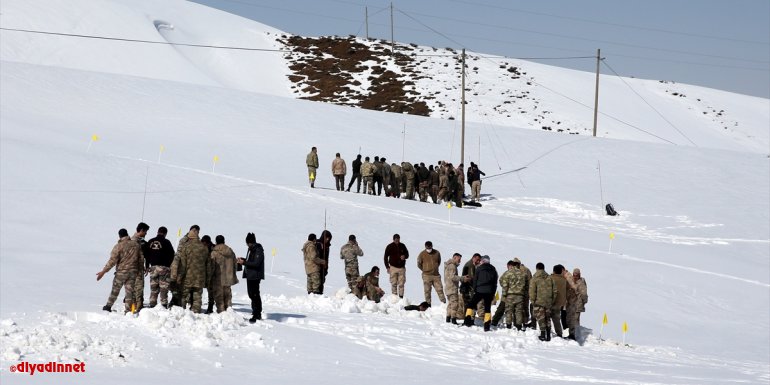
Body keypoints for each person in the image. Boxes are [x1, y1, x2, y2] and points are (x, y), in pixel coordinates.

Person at [97, 228, 142, 313]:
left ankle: (108, 306)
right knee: (129, 292)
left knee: (115, 290)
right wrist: (140, 271)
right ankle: (128, 310)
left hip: (121, 273)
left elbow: (112, 261)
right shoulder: (136, 245)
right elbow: (141, 260)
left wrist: (103, 271)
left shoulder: (118, 246)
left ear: (119, 236)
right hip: (133, 272)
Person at [172, 226, 211, 313]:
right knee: (197, 297)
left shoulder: (186, 247)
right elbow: (208, 266)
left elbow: (183, 265)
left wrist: (179, 277)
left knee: (184, 296)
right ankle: (196, 312)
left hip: (188, 277)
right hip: (200, 278)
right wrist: (208, 279)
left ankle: (182, 312)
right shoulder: (204, 248)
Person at [463, 255, 498, 331]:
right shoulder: (493, 269)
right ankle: (486, 326)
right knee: (487, 309)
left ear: (483, 261)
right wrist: (493, 293)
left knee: (470, 305)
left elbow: (475, 280)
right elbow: (495, 282)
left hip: (479, 290)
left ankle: (467, 320)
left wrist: (475, 290)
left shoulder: (479, 268)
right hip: (489, 292)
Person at [144, 226, 175, 308]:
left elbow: (146, 255)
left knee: (154, 288)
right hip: (164, 268)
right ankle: (164, 305)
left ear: (157, 232)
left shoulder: (150, 241)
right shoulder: (167, 242)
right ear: (165, 233)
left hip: (153, 268)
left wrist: (147, 266)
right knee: (164, 288)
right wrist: (169, 266)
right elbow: (172, 255)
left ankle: (152, 304)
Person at [238, 232, 265, 323]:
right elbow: (251, 261)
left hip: (255, 275)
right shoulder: (252, 249)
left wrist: (244, 263)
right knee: (251, 294)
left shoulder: (258, 250)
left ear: (250, 242)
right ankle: (255, 311)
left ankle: (257, 313)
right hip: (250, 275)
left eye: (247, 243)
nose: (247, 245)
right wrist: (243, 260)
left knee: (255, 294)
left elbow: (256, 263)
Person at [500, 259, 530, 330]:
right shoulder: (524, 274)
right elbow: (527, 286)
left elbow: (504, 284)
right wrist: (525, 295)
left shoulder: (508, 273)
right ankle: (519, 326)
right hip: (520, 296)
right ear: (518, 264)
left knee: (509, 311)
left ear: (513, 264)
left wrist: (504, 294)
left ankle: (509, 326)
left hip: (510, 295)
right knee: (518, 311)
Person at [530, 262, 557, 341]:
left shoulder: (534, 278)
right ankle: (548, 335)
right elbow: (555, 291)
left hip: (538, 302)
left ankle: (542, 334)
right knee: (547, 318)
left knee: (541, 318)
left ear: (537, 268)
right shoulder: (550, 278)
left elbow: (532, 291)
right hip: (548, 302)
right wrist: (552, 300)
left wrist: (533, 301)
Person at [211, 235, 239, 312]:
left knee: (219, 296)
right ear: (224, 241)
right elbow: (235, 264)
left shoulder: (214, 253)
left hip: (218, 279)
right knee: (228, 296)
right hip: (228, 278)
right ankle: (229, 311)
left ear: (216, 242)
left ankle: (221, 312)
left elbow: (212, 267)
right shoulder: (230, 251)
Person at [416, 241, 445, 305]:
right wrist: (424, 269)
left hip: (436, 275)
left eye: (430, 247)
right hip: (426, 275)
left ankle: (443, 303)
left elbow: (439, 261)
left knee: (440, 289)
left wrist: (435, 268)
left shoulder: (437, 253)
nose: (429, 249)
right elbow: (419, 264)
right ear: (425, 247)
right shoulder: (422, 254)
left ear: (432, 246)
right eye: (427, 248)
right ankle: (428, 305)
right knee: (427, 291)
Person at [443, 253, 468, 324]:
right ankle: (453, 319)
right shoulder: (452, 266)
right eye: (459, 259)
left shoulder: (449, 265)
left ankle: (448, 318)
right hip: (452, 288)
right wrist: (462, 278)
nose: (460, 261)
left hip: (448, 288)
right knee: (454, 304)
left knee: (450, 304)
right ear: (454, 258)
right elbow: (453, 277)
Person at [565, 267, 588, 340]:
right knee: (570, 319)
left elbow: (584, 295)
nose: (575, 276)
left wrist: (583, 302)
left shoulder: (581, 283)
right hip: (571, 304)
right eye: (574, 275)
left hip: (577, 305)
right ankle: (571, 334)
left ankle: (575, 335)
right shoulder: (572, 281)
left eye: (577, 275)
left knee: (575, 320)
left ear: (579, 275)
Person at [383, 234, 409, 298]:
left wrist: (404, 256)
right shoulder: (389, 246)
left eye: (398, 239)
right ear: (393, 239)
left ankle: (401, 298)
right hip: (393, 268)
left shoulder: (403, 246)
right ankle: (394, 298)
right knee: (393, 283)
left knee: (401, 284)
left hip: (401, 268)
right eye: (396, 239)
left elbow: (407, 254)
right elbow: (385, 257)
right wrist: (387, 267)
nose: (397, 240)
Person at [460, 253, 484, 321]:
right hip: (468, 288)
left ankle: (468, 319)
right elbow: (471, 278)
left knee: (469, 304)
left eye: (479, 260)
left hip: (468, 287)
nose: (478, 261)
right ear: (473, 258)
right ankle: (468, 319)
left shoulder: (472, 265)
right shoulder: (470, 265)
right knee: (468, 304)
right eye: (477, 260)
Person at [132, 222, 149, 311]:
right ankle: (136, 308)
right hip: (136, 269)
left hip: (134, 268)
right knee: (138, 288)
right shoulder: (135, 242)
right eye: (145, 231)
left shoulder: (134, 240)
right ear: (141, 230)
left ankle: (134, 307)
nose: (146, 233)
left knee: (134, 288)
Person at [550, 264, 568, 338]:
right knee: (556, 319)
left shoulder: (550, 278)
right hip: (559, 303)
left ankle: (547, 331)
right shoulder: (564, 280)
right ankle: (559, 333)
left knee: (547, 318)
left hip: (550, 301)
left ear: (554, 271)